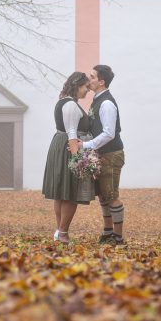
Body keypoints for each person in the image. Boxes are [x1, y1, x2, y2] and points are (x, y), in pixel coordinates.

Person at [42, 71, 93, 242]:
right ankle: (62, 232)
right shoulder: (70, 105)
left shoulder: (62, 101)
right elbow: (72, 132)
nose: (87, 90)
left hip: (60, 145)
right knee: (70, 192)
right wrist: (77, 158)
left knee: (61, 192)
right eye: (86, 87)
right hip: (68, 147)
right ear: (77, 86)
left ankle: (60, 232)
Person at [79, 64, 126, 245]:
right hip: (102, 154)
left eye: (92, 77)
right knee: (103, 196)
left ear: (101, 81)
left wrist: (86, 145)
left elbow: (109, 133)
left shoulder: (106, 103)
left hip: (111, 154)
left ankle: (118, 237)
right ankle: (107, 232)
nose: (88, 79)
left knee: (111, 196)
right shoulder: (97, 99)